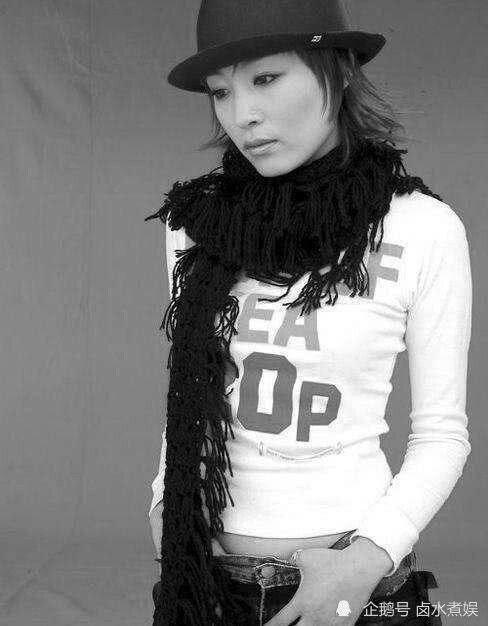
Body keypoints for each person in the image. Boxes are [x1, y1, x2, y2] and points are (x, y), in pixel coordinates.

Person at [145, 1, 472, 624]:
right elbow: (193, 389)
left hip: (358, 580)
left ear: (339, 70)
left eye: (266, 78)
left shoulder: (423, 228)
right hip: (210, 581)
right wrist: (166, 503)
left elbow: (442, 434)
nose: (242, 114)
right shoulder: (198, 224)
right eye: (220, 92)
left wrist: (366, 561)